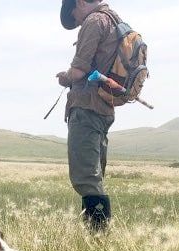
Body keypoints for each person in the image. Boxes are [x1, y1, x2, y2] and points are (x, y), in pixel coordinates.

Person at [57, 0, 121, 232]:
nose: (79, 21)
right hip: (104, 108)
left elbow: (78, 71)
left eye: (76, 16)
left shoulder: (94, 21)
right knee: (94, 176)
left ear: (81, 2)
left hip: (87, 107)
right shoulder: (114, 20)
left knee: (86, 178)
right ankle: (97, 237)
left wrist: (65, 77)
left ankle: (97, 239)